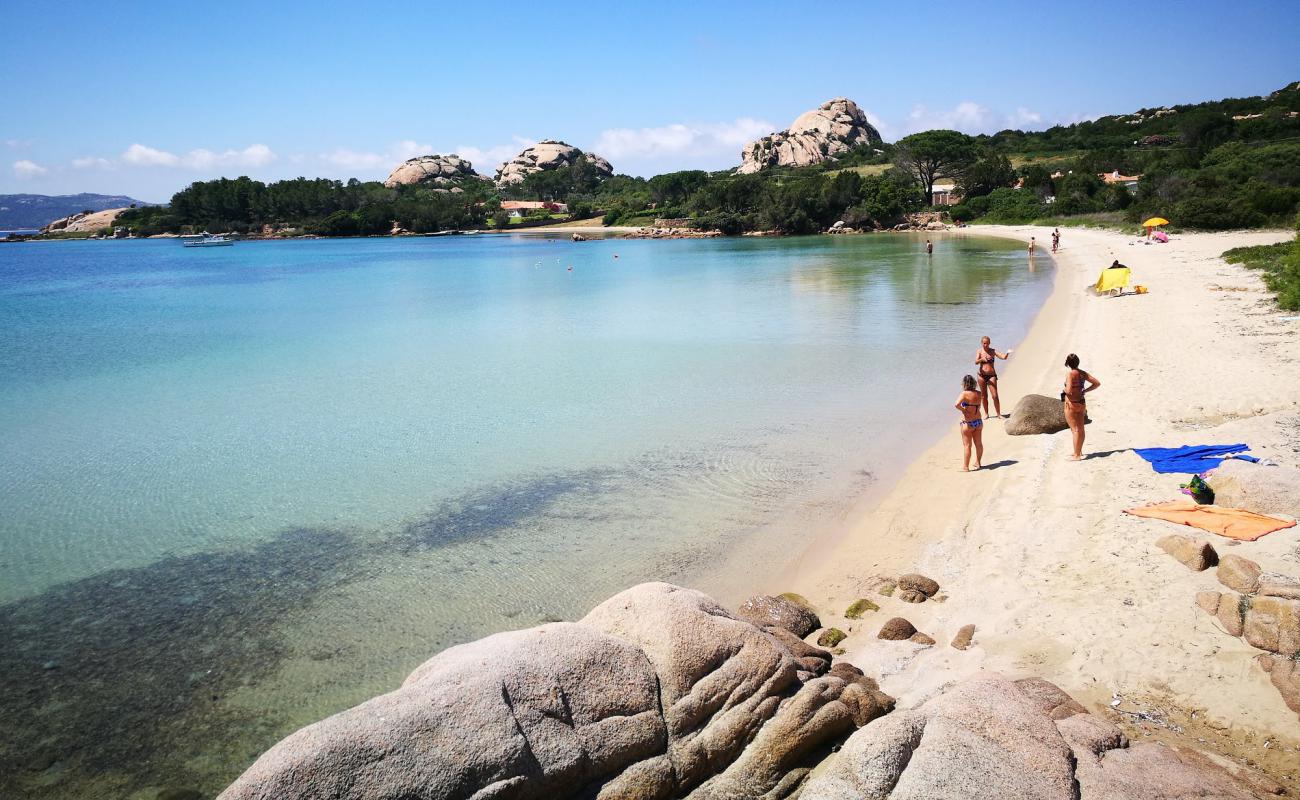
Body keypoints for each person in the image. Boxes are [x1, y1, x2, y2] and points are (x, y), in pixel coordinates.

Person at [1062, 353, 1100, 461]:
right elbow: (1097, 383)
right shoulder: (1082, 373)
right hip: (1081, 403)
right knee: (1081, 429)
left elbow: (1069, 390)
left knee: (1075, 430)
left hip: (1071, 404)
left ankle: (1076, 455)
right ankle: (1079, 451)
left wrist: (1064, 390)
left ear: (1068, 363)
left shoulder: (1070, 374)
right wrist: (1085, 390)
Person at [975, 336, 1013, 418]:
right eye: (984, 343)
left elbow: (1003, 357)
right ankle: (986, 414)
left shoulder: (993, 351)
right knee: (984, 396)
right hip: (981, 376)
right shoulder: (979, 351)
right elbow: (976, 362)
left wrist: (1007, 353)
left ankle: (998, 414)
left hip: (991, 376)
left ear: (989, 343)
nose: (986, 345)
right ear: (982, 343)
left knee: (995, 396)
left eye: (987, 343)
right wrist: (982, 359)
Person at [955, 375, 985, 471]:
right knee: (979, 444)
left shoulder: (964, 394)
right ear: (974, 383)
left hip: (968, 423)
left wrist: (964, 410)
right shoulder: (979, 393)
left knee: (967, 445)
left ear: (964, 384)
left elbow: (956, 404)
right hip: (978, 421)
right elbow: (979, 406)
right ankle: (978, 463)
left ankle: (966, 466)